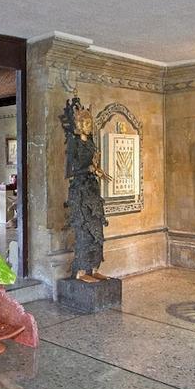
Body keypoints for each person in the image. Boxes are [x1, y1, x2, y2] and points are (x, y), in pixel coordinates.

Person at [61, 97, 109, 282]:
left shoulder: (90, 142)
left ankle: (94, 268)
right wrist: (88, 169)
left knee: (97, 230)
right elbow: (71, 170)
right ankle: (81, 271)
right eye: (86, 123)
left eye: (90, 123)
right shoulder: (74, 143)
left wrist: (97, 170)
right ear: (79, 124)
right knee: (83, 231)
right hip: (80, 190)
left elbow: (93, 163)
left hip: (92, 189)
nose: (89, 126)